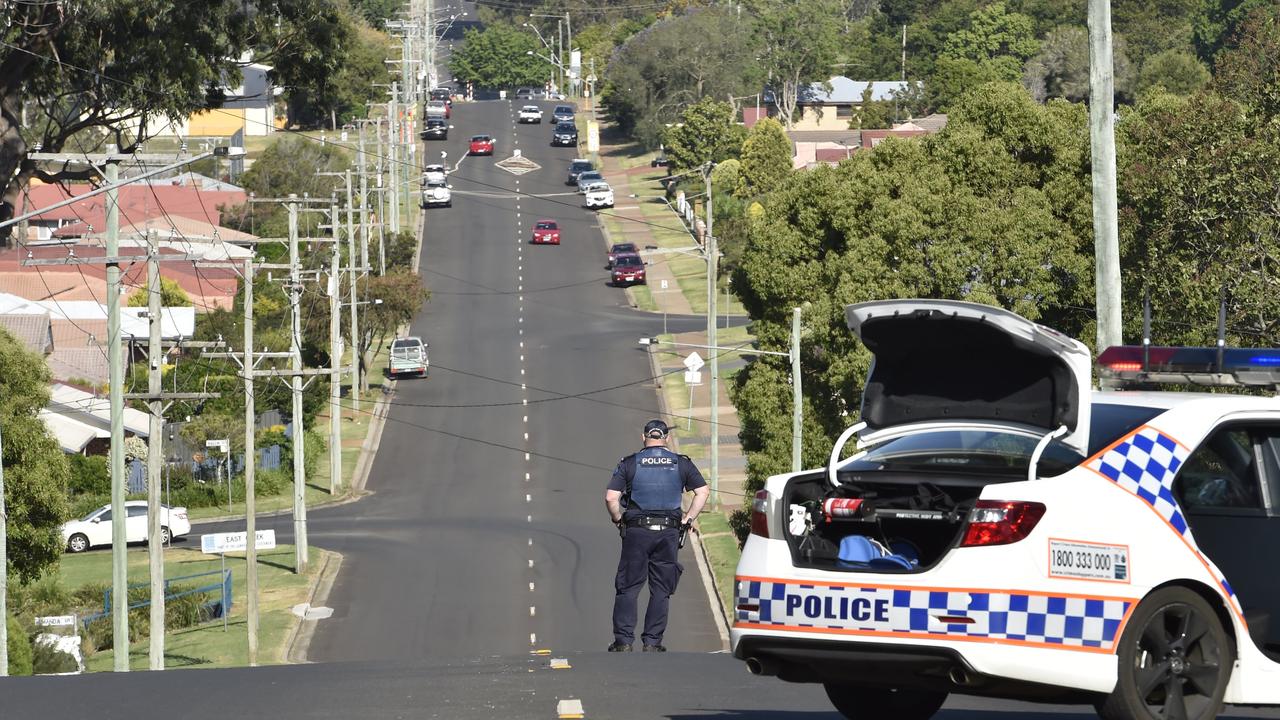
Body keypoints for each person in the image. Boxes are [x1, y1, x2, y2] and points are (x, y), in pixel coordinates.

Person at [604, 419, 709, 652]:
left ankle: (623, 641)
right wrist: (688, 518)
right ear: (666, 439)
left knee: (628, 586)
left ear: (644, 438)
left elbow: (611, 497)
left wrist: (617, 518)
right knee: (661, 588)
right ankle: (652, 642)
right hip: (668, 532)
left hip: (637, 531)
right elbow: (702, 492)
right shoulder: (681, 463)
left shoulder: (630, 463)